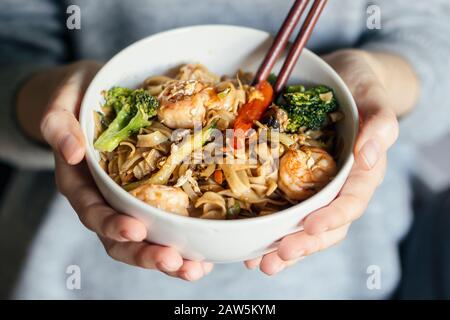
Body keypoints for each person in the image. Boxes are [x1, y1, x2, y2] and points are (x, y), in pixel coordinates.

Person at [0, 0, 449, 299]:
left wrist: (375, 79)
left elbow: (434, 47)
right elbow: (12, 49)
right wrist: (55, 100)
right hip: (66, 273)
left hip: (337, 280)